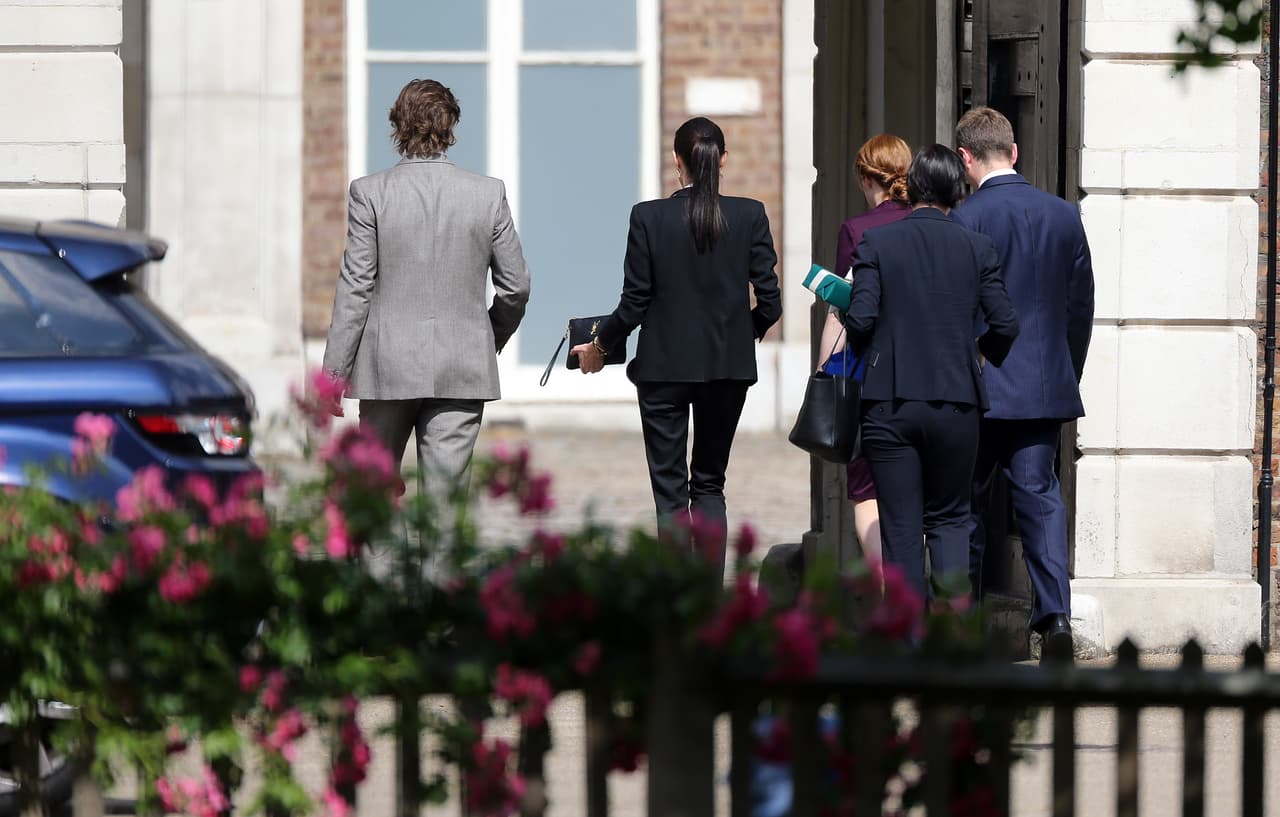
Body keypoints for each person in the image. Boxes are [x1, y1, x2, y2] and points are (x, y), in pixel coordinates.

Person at [571, 116, 782, 577]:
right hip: (728, 369)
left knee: (670, 490)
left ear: (677, 161)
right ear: (723, 159)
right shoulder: (750, 215)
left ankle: (676, 598)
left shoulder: (648, 216)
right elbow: (771, 301)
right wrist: (741, 333)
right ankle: (708, 600)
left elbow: (634, 304)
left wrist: (599, 347)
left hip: (663, 369)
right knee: (710, 484)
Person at [322, 79, 531, 503]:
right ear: (451, 124)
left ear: (398, 124)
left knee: (375, 502)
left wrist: (332, 375)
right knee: (444, 517)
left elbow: (356, 287)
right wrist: (485, 338)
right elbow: (517, 287)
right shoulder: (487, 194)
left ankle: (382, 574)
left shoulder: (370, 193)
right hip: (461, 366)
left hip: (386, 368)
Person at [842, 144, 1019, 601]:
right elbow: (1006, 324)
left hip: (890, 402)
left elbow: (860, 321)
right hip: (957, 401)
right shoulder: (977, 247)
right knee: (951, 521)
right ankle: (953, 640)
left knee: (901, 528)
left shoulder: (877, 243)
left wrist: (871, 344)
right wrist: (980, 354)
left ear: (915, 186)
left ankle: (909, 641)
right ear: (956, 191)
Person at [952, 106, 1094, 656]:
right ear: (1014, 152)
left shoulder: (965, 219)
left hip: (982, 386)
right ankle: (1054, 617)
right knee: (1039, 500)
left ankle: (963, 622)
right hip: (1043, 383)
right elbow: (1080, 307)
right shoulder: (1064, 216)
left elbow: (962, 312)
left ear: (965, 158)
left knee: (964, 507)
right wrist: (1065, 369)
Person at [815, 133, 913, 565]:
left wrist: (823, 373)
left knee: (867, 493)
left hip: (865, 373)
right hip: (919, 372)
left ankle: (886, 596)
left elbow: (840, 310)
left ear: (864, 177)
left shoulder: (856, 231)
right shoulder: (928, 222)